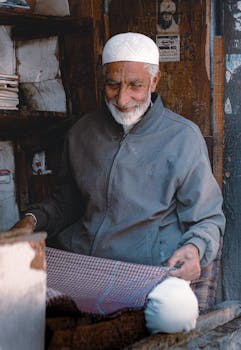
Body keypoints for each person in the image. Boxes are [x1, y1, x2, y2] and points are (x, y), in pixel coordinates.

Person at [11, 32, 225, 333]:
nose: (123, 99)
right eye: (113, 85)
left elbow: (208, 218)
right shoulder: (82, 132)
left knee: (176, 314)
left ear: (154, 81)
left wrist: (195, 249)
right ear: (104, 80)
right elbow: (66, 202)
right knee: (8, 290)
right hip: (84, 263)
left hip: (148, 270)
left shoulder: (183, 138)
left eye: (135, 85)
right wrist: (30, 220)